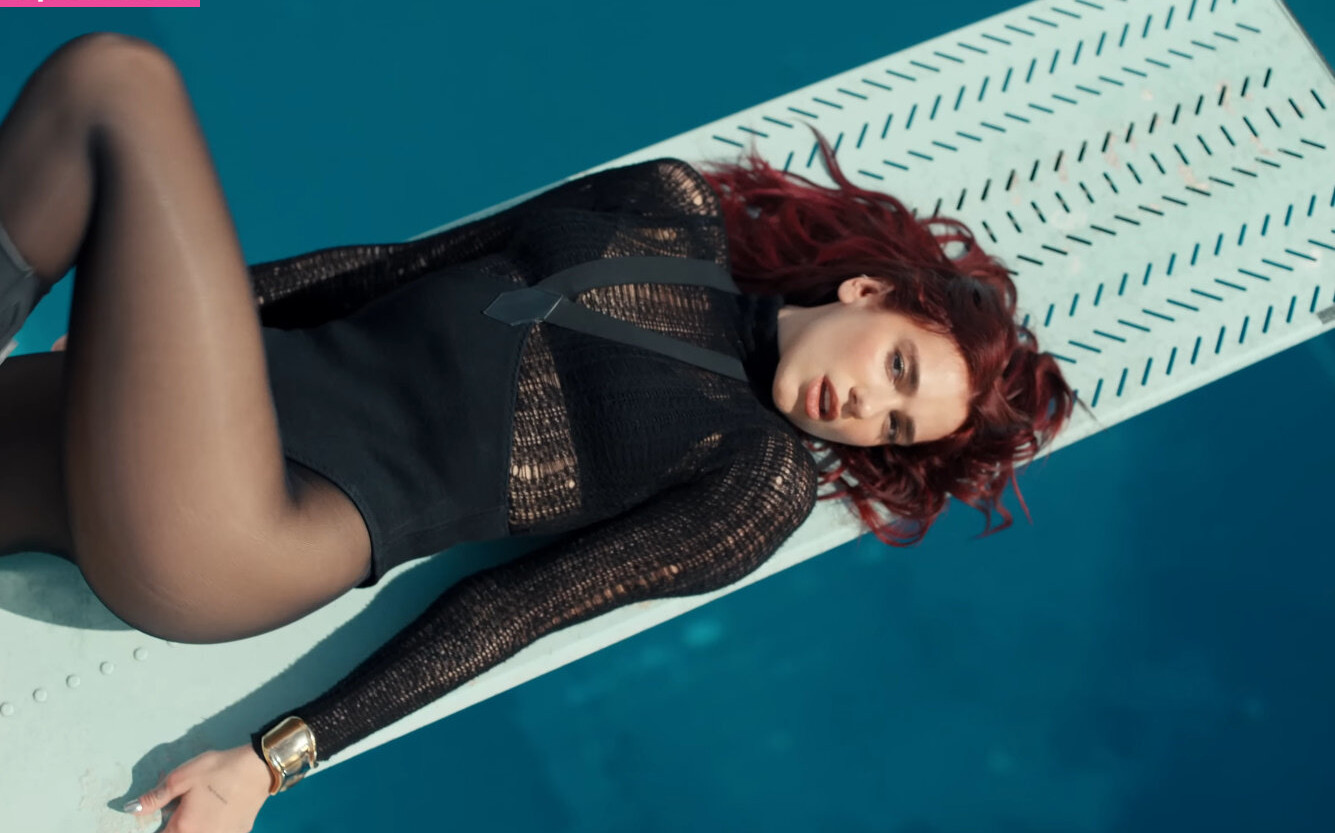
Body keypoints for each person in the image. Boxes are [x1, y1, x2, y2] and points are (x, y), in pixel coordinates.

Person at [0, 34, 1076, 831]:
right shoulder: (666, 203)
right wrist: (143, 337)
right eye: (897, 369)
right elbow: (388, 269)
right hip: (201, 407)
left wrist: (271, 761)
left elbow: (513, 609)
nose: (867, 408)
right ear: (869, 291)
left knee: (118, 84)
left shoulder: (755, 483)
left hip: (253, 524)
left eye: (895, 426)